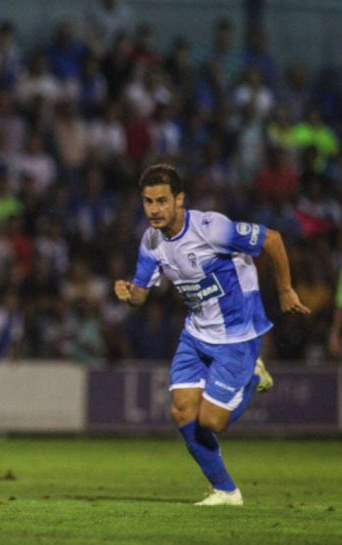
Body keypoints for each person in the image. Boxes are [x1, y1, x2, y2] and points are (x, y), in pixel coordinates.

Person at [114, 163, 310, 506]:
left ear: (179, 200)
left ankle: (251, 374)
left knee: (211, 422)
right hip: (196, 332)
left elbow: (273, 239)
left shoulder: (211, 228)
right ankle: (226, 491)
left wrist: (285, 291)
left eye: (162, 201)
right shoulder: (150, 241)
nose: (154, 209)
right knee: (181, 411)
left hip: (237, 333)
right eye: (148, 202)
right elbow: (140, 296)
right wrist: (127, 291)